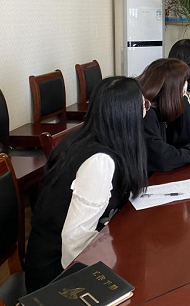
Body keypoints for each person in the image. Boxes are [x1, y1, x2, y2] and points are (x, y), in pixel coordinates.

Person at [25, 77, 149, 292]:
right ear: (127, 116)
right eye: (143, 105)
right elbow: (74, 242)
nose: (146, 110)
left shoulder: (86, 139)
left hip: (64, 256)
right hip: (56, 276)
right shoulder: (99, 162)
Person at [138, 58, 190, 174]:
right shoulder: (146, 113)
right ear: (173, 88)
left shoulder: (159, 108)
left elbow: (184, 141)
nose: (185, 86)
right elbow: (165, 158)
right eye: (184, 82)